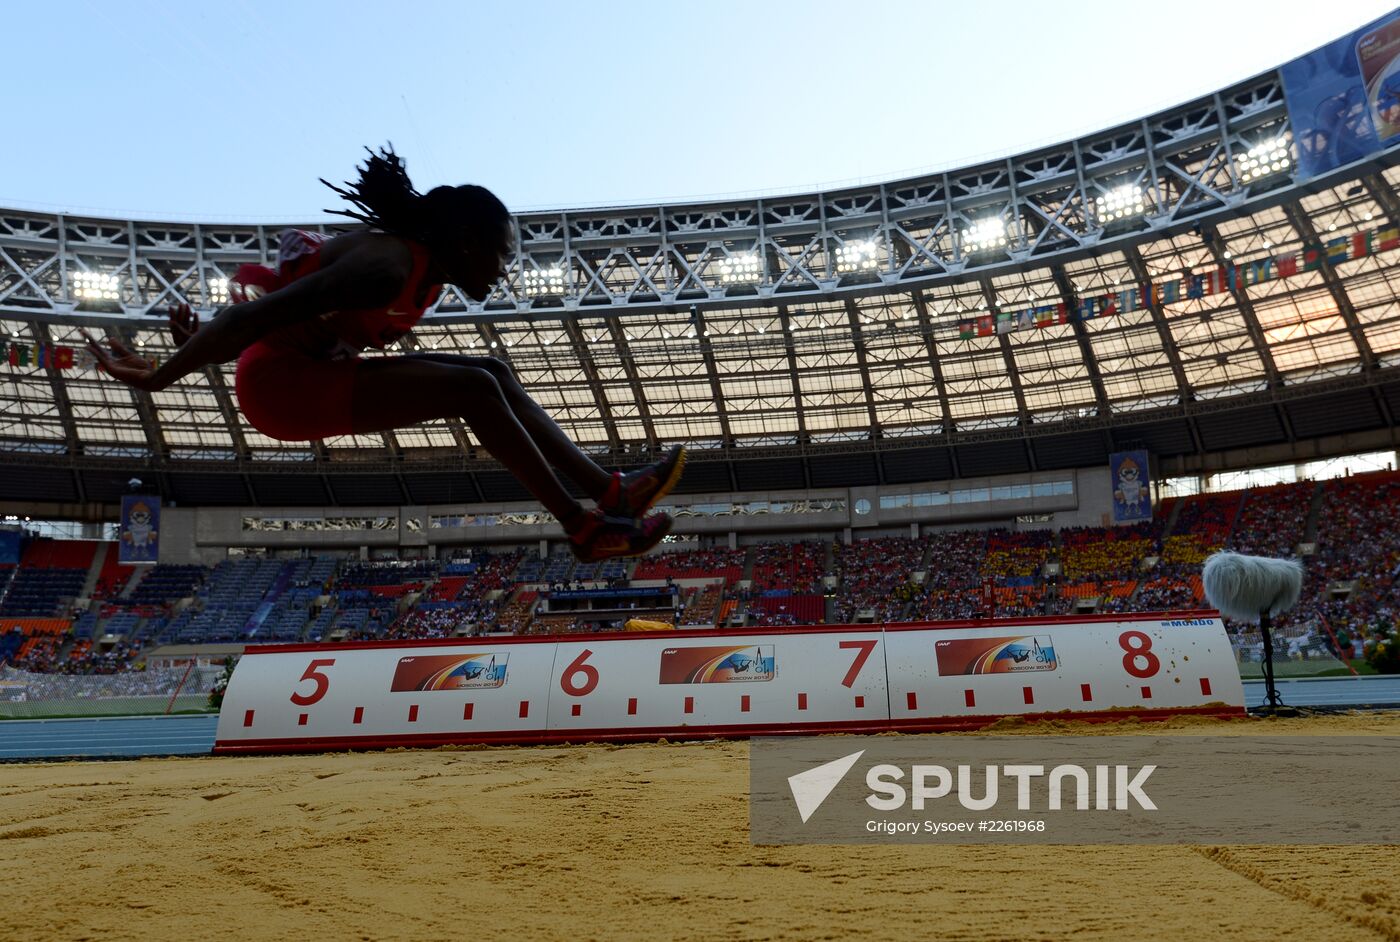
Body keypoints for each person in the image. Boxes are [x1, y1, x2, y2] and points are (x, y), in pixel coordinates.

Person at [84, 146, 685, 562]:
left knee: (490, 373)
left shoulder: (423, 272)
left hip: (312, 369)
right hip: (281, 388)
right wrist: (164, 375)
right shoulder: (386, 269)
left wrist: (193, 348)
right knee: (472, 390)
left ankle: (612, 493)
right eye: (499, 256)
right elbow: (250, 318)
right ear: (465, 242)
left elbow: (274, 319)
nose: (503, 271)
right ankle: (583, 527)